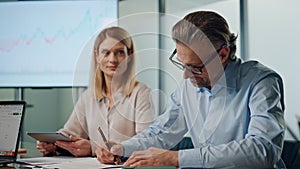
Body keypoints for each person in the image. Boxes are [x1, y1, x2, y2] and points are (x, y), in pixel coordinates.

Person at [96, 11, 286, 168]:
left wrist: (176, 158)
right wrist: (121, 148)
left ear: (223, 54)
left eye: (195, 67)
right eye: (183, 64)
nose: (186, 76)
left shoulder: (262, 82)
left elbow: (262, 150)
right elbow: (162, 131)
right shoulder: (190, 83)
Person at [36, 26, 155, 157]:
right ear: (97, 55)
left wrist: (93, 148)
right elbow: (70, 134)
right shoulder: (88, 97)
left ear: (130, 55)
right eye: (106, 52)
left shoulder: (141, 93)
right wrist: (53, 145)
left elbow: (146, 142)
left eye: (120, 52)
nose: (112, 60)